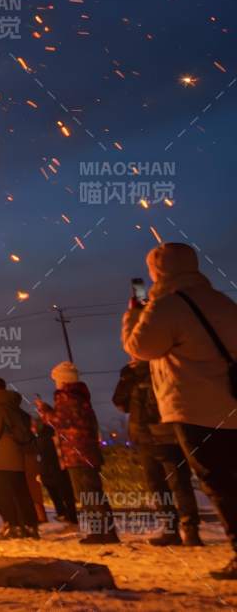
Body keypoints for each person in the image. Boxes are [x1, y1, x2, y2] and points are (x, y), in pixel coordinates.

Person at [122, 241, 237, 578]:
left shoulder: (166, 307)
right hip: (232, 402)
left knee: (219, 482)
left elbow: (139, 348)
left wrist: (135, 311)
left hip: (196, 408)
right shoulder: (223, 302)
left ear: (158, 270)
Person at [114, 358, 200, 545]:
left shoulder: (163, 368)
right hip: (145, 438)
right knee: (158, 486)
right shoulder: (132, 376)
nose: (132, 357)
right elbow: (120, 403)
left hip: (168, 435)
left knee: (178, 484)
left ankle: (191, 530)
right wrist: (126, 378)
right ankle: (171, 531)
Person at [32, 362, 115, 543]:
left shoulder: (66, 397)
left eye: (56, 379)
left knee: (88, 494)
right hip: (85, 450)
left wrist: (44, 409)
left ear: (62, 379)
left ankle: (103, 532)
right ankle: (101, 532)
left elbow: (58, 422)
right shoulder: (79, 397)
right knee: (90, 493)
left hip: (77, 453)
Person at [0, 376, 39, 539]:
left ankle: (13, 526)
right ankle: (30, 526)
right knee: (22, 491)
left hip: (1, 454)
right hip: (18, 453)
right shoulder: (15, 405)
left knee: (5, 492)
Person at [34, 420, 78, 527]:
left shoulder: (39, 440)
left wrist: (40, 472)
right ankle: (72, 516)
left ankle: (62, 513)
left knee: (55, 494)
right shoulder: (57, 438)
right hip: (61, 469)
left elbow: (41, 458)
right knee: (66, 494)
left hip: (47, 471)